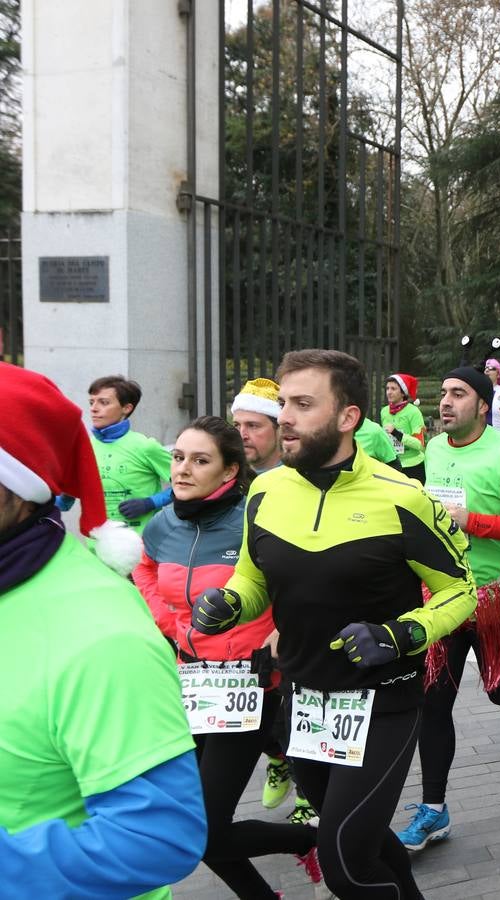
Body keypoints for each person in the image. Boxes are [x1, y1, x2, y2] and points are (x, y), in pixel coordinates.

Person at [190, 348, 478, 900]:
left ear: (348, 417)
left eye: (302, 404)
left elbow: (460, 590)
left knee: (343, 863)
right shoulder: (266, 490)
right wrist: (228, 603)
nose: (285, 419)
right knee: (359, 842)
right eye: (282, 404)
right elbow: (253, 582)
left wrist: (402, 635)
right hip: (304, 699)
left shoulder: (404, 498)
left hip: (383, 702)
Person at [0, 362, 206, 898]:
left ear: (18, 490)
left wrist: (158, 503)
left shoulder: (101, 639)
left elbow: (160, 838)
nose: (98, 409)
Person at [133, 416, 321, 898]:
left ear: (229, 471)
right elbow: (144, 570)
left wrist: (280, 630)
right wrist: (170, 623)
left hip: (248, 685)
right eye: (178, 457)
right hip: (190, 682)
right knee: (189, 826)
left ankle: (315, 838)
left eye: (200, 460)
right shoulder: (163, 523)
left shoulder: (255, 519)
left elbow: (299, 583)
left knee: (204, 830)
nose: (182, 470)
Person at [402, 366, 500, 850]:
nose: (445, 402)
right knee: (434, 701)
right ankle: (434, 809)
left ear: (484, 406)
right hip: (443, 596)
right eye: (443, 393)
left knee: (499, 686)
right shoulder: (432, 448)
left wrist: (474, 521)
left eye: (459, 394)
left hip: (496, 595)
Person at [229, 378, 316, 825]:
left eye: (253, 426)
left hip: (293, 629)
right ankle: (279, 758)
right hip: (244, 626)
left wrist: (289, 621)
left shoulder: (302, 481)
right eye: (237, 424)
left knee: (293, 714)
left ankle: (307, 796)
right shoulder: (235, 480)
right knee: (260, 719)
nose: (242, 434)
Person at [88, 374, 173, 532]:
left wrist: (150, 503)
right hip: (96, 547)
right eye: (91, 402)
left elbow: (190, 484)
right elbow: (66, 501)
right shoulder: (85, 447)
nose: (94, 408)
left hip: (142, 547)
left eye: (104, 402)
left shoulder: (146, 447)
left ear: (126, 408)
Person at [381, 373, 426, 482]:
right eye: (387, 388)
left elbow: (420, 445)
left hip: (413, 466)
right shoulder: (384, 411)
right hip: (392, 465)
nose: (389, 392)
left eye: (393, 389)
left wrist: (397, 433)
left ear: (403, 393)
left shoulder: (413, 412)